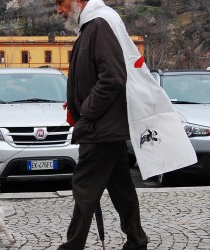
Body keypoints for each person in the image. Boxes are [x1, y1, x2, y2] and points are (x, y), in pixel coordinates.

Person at [55, 0, 149, 249]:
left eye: (61, 3)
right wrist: (75, 100)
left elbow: (113, 78)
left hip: (100, 127)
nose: (59, 10)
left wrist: (86, 110)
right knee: (121, 189)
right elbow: (96, 77)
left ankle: (72, 246)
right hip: (105, 126)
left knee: (84, 187)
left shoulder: (99, 25)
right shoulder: (90, 27)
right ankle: (137, 241)